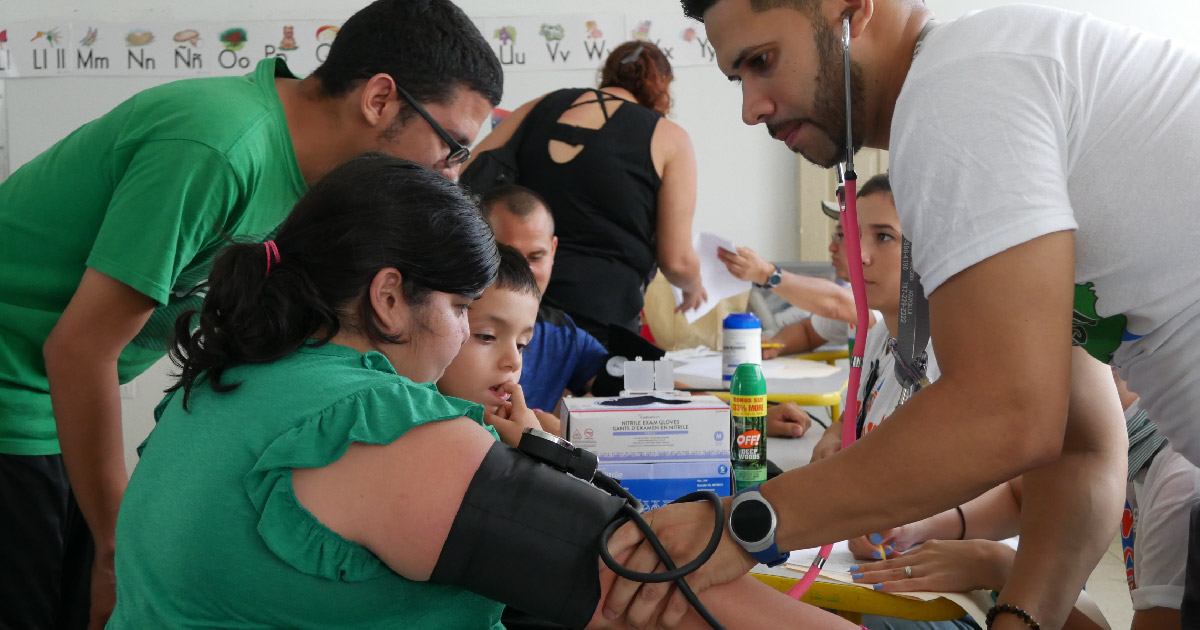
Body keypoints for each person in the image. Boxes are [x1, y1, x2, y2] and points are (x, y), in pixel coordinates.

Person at [602, 2, 1172, 629]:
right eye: (739, 79)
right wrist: (1019, 616)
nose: (751, 107)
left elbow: (1006, 414)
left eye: (762, 62)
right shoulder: (983, 81)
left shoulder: (956, 94)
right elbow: (1085, 447)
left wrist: (743, 525)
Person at [110, 154, 857, 630]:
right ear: (390, 298)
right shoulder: (372, 423)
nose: (470, 339)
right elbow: (653, 588)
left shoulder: (223, 386)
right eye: (464, 311)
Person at [0, 1, 502, 626]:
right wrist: (115, 550)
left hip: (52, 396)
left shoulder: (318, 183)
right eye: (452, 146)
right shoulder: (219, 149)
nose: (451, 178)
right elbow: (78, 351)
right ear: (379, 99)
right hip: (17, 391)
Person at [466, 41, 706, 347]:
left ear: (606, 75)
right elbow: (676, 261)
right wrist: (693, 285)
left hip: (520, 309)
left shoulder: (542, 105)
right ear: (662, 90)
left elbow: (467, 171)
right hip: (604, 320)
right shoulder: (670, 137)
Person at [479, 186, 608, 417]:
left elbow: (621, 383)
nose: (526, 272)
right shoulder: (448, 322)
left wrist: (565, 430)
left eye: (536, 257)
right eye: (486, 336)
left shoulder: (562, 334)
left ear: (553, 250)